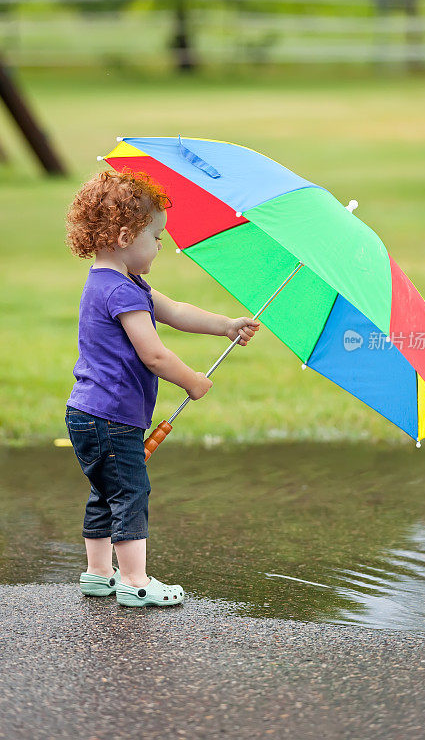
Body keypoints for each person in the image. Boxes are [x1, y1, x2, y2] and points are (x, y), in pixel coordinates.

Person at [64, 169, 260, 608]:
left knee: (105, 491)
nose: (160, 246)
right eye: (156, 237)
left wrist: (225, 326)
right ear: (124, 235)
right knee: (131, 492)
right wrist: (192, 381)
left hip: (86, 413)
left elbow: (175, 310)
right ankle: (135, 581)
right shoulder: (122, 293)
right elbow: (153, 354)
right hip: (113, 417)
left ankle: (98, 574)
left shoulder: (114, 283)